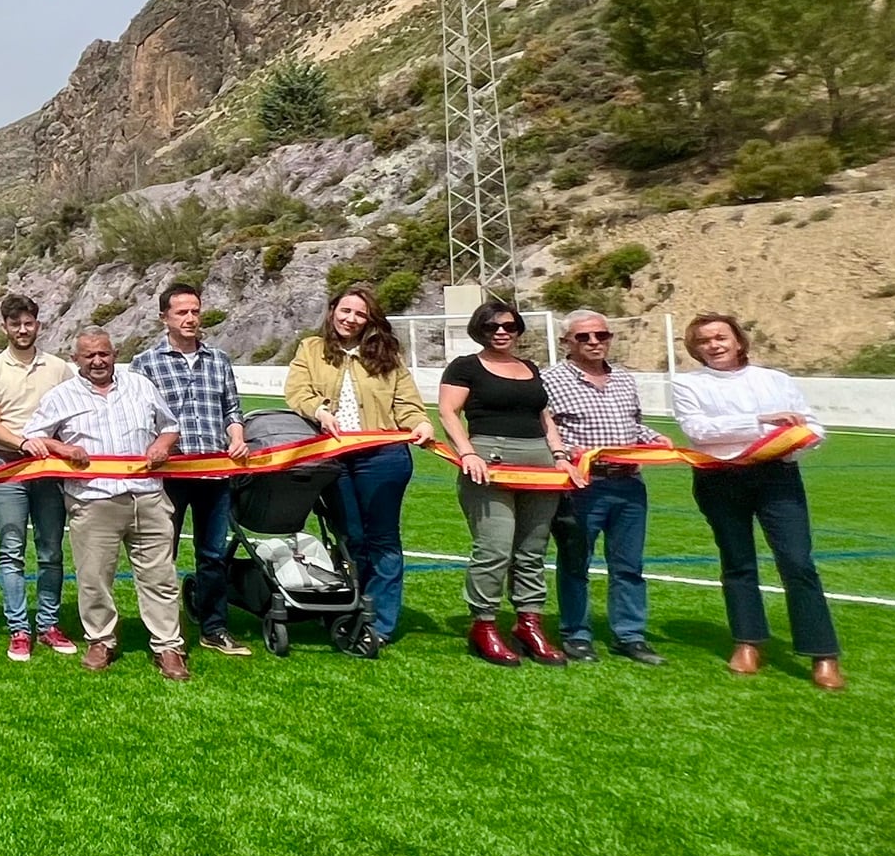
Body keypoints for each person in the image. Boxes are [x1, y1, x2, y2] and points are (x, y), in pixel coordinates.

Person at [671, 313, 843, 691]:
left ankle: (823, 654)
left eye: (720, 337)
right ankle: (748, 642)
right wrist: (764, 422)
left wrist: (797, 439)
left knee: (798, 562)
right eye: (703, 341)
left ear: (738, 341)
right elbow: (700, 431)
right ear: (694, 348)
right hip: (719, 479)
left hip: (777, 478)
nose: (714, 345)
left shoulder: (776, 380)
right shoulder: (687, 385)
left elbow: (812, 426)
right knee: (737, 563)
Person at [26, 328, 190, 681]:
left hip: (146, 495)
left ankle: (168, 646)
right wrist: (63, 449)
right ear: (77, 359)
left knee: (160, 577)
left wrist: (162, 446)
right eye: (90, 356)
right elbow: (34, 436)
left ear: (115, 354)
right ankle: (100, 640)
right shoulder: (61, 396)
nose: (98, 361)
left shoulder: (141, 386)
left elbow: (170, 425)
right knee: (94, 578)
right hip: (93, 500)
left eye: (104, 354)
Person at [283, 283, 434, 653]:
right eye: (345, 310)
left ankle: (379, 620)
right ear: (333, 310)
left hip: (383, 458)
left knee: (383, 539)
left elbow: (408, 404)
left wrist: (421, 423)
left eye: (360, 314)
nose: (350, 319)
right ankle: (347, 608)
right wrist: (318, 410)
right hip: (333, 458)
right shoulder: (311, 349)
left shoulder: (388, 356)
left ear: (371, 320)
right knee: (350, 537)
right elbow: (296, 391)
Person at [438, 299, 574, 667]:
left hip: (540, 465)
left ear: (518, 330)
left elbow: (544, 417)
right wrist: (467, 453)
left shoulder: (529, 367)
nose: (502, 332)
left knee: (532, 550)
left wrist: (560, 455)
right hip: (490, 461)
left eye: (509, 326)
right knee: (494, 547)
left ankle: (529, 623)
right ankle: (483, 624)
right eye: (493, 326)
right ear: (479, 329)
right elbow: (448, 412)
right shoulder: (465, 366)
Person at [133, 282, 254, 658]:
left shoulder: (218, 360)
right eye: (181, 312)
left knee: (213, 554)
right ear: (164, 317)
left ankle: (214, 627)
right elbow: (141, 419)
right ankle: (165, 633)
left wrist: (237, 435)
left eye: (195, 311)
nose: (190, 318)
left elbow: (232, 409)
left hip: (215, 473)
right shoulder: (145, 363)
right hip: (169, 475)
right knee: (161, 554)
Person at [540, 309, 666, 666]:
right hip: (582, 485)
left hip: (629, 484)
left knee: (628, 565)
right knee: (575, 563)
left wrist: (655, 438)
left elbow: (633, 426)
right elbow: (546, 430)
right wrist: (563, 454)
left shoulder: (625, 379)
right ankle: (576, 634)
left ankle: (630, 635)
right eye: (584, 337)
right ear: (567, 341)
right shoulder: (550, 380)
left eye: (601, 335)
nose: (594, 342)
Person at [0, 294, 74, 662]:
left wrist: (55, 448)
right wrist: (26, 443)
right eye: (14, 323)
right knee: (11, 550)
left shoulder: (59, 368)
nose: (22, 329)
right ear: (5, 327)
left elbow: (72, 416)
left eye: (28, 322)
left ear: (38, 324)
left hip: (49, 471)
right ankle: (18, 628)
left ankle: (48, 624)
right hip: (7, 466)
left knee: (50, 550)